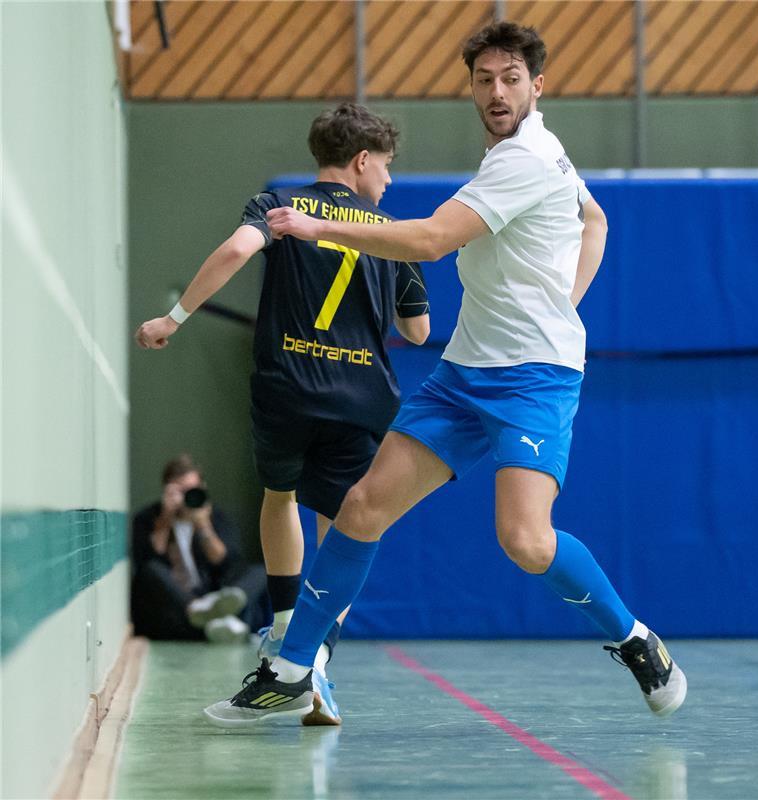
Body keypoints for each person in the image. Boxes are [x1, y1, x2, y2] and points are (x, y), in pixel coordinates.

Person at [203, 20, 686, 728]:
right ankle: (291, 669)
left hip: (532, 380)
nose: (496, 91)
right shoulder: (521, 158)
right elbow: (595, 220)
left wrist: (319, 227)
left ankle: (633, 639)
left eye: (510, 79)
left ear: (536, 85)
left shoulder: (528, 158)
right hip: (464, 373)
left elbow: (428, 241)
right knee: (363, 507)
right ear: (471, 87)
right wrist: (564, 298)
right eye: (484, 79)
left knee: (524, 540)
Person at [135, 104, 430, 726]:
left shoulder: (278, 205)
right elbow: (419, 328)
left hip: (287, 386)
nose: (390, 182)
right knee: (346, 523)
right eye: (387, 167)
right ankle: (314, 657)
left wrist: (174, 319)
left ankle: (288, 631)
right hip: (362, 396)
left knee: (280, 495)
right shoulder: (390, 232)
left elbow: (237, 250)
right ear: (361, 161)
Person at [131, 455, 268, 643]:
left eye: (192, 490)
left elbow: (229, 564)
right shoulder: (148, 518)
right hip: (177, 607)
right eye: (180, 491)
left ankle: (216, 617)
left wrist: (204, 526)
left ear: (202, 488)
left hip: (214, 595)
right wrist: (165, 519)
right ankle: (207, 616)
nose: (187, 496)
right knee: (151, 570)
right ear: (166, 490)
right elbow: (147, 561)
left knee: (259, 571)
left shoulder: (216, 517)